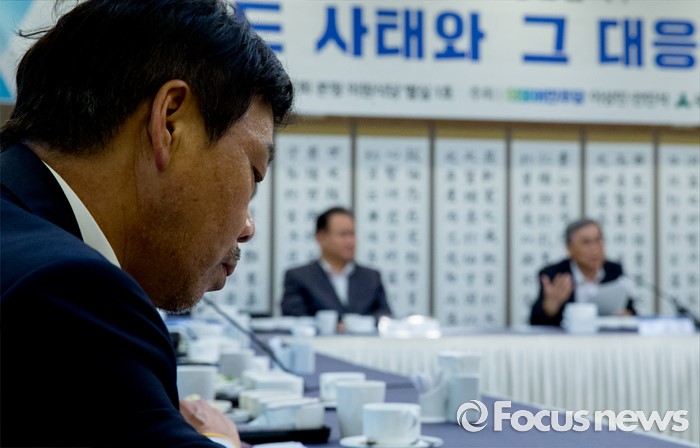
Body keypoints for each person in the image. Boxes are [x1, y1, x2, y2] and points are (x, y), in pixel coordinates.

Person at [0, 0, 293, 446]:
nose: (248, 226)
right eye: (253, 174)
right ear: (170, 122)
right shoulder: (69, 289)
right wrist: (221, 440)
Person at [280, 207, 392, 321]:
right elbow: (294, 317)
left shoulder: (371, 277)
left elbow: (384, 315)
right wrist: (333, 325)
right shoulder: (300, 277)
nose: (350, 241)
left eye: (352, 234)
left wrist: (356, 324)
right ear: (321, 238)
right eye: (343, 234)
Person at [529, 218, 636, 326]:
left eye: (598, 240)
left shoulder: (614, 270)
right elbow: (535, 323)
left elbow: (632, 312)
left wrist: (626, 317)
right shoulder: (555, 275)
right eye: (586, 243)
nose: (594, 249)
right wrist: (550, 308)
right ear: (569, 248)